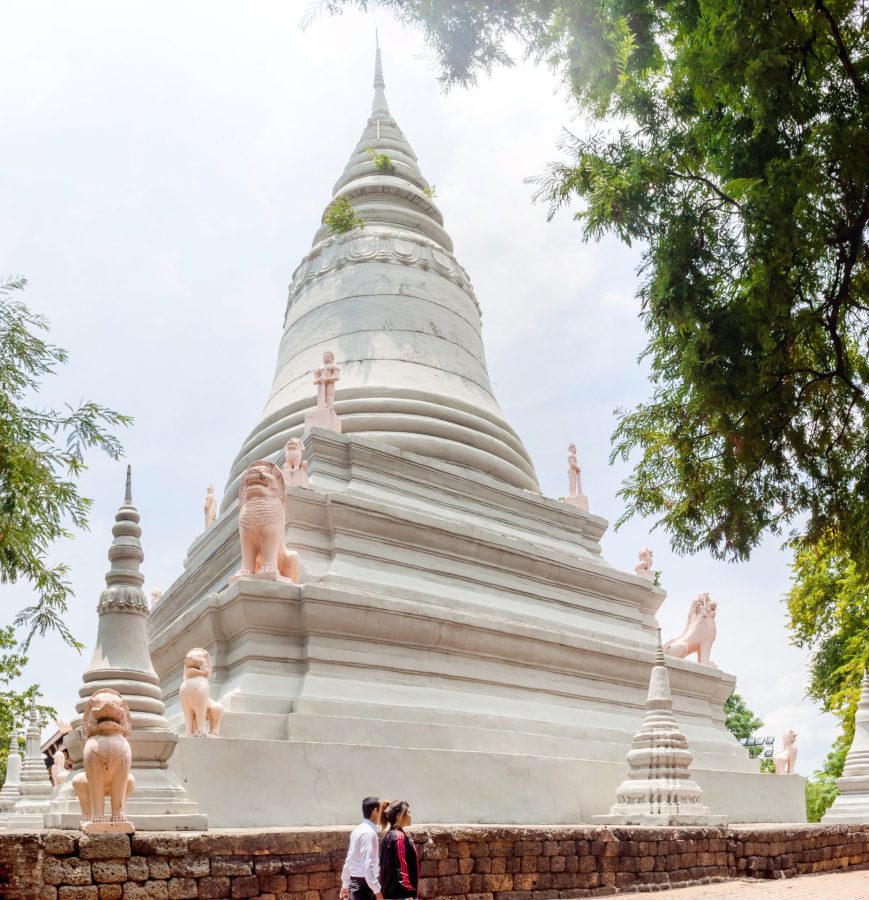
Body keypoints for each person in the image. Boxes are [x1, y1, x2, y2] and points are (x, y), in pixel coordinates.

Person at [340, 796, 387, 900]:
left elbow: (350, 858)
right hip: (365, 887)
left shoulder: (358, 830)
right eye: (381, 810)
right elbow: (367, 864)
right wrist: (377, 891)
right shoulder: (369, 833)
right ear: (375, 811)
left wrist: (345, 883)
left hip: (358, 884)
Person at [379, 800, 418, 899]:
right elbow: (402, 866)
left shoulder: (389, 835)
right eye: (408, 813)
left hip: (392, 894)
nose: (410, 816)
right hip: (400, 895)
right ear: (399, 816)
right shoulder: (398, 837)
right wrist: (408, 893)